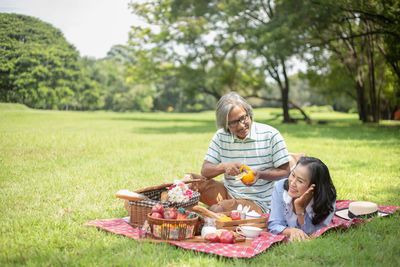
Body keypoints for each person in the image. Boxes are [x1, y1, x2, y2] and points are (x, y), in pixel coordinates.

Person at [188, 92, 295, 214]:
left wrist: (260, 175)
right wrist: (224, 167)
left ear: (249, 113)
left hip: (257, 201)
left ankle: (203, 215)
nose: (241, 126)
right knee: (188, 183)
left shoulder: (271, 135)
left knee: (216, 211)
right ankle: (178, 217)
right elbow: (205, 171)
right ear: (225, 124)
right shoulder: (221, 136)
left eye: (243, 118)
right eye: (233, 123)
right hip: (228, 192)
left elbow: (286, 172)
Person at [268, 156, 337, 241]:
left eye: (300, 181)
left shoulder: (326, 198)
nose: (292, 183)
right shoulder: (280, 187)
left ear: (314, 187)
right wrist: (290, 231)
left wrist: (300, 209)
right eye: (293, 175)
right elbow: (274, 225)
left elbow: (314, 234)